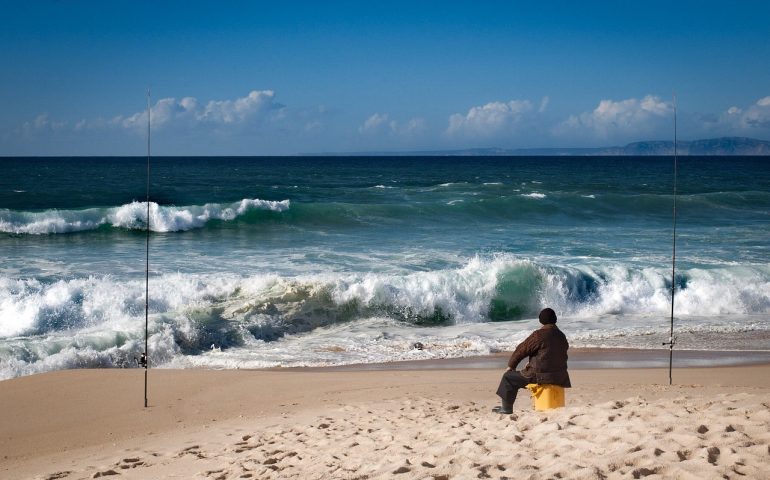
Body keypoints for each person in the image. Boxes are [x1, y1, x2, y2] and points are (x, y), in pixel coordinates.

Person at [494, 307, 571, 414]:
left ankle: (506, 409)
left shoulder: (538, 335)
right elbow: (553, 354)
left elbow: (521, 350)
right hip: (560, 376)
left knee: (508, 378)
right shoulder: (562, 336)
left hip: (539, 376)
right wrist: (533, 362)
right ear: (555, 319)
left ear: (541, 321)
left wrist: (511, 366)